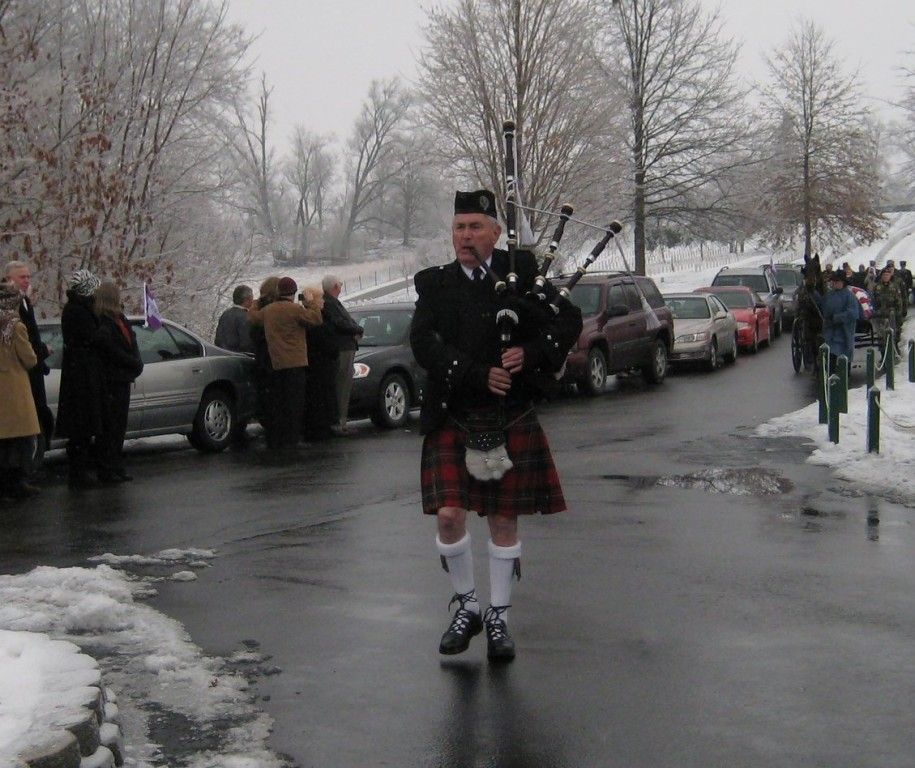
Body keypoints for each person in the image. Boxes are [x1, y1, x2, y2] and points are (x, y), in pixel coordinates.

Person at [410, 189, 582, 662]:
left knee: (504, 519)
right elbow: (423, 344)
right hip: (455, 410)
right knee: (449, 514)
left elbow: (567, 321)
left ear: (495, 233)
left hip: (511, 412)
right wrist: (472, 371)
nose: (465, 236)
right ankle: (466, 605)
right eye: (459, 228)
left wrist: (530, 354)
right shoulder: (436, 284)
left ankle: (499, 616)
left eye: (475, 227)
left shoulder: (524, 274)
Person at [249, 276, 321, 448]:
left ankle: (276, 439)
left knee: (278, 403)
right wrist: (311, 303)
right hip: (295, 363)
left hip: (276, 363)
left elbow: (252, 318)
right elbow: (316, 319)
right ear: (294, 293)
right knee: (294, 404)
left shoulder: (269, 311)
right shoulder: (295, 309)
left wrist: (256, 302)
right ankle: (292, 439)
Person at [56, 270, 105, 488]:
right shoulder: (77, 311)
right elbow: (92, 337)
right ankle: (78, 473)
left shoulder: (76, 309)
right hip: (80, 376)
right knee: (81, 426)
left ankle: (81, 471)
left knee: (84, 426)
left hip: (82, 373)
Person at [92, 282, 143, 482]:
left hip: (123, 378)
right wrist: (132, 362)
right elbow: (111, 349)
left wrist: (136, 361)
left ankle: (116, 464)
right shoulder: (103, 323)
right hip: (111, 380)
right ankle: (107, 467)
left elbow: (131, 341)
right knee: (110, 426)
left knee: (119, 425)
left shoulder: (120, 319)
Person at [4, 261, 53, 458]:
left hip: (33, 369)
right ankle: (23, 469)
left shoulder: (25, 302)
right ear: (9, 280)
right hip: (21, 372)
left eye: (28, 277)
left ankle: (31, 464)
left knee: (38, 418)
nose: (26, 281)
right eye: (22, 277)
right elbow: (21, 339)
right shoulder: (10, 308)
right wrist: (39, 352)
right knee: (26, 422)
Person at [0, 284, 41, 499]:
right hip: (14, 387)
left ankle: (4, 483)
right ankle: (18, 481)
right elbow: (29, 358)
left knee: (4, 440)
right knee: (22, 438)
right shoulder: (15, 326)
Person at [322, 275, 363, 433]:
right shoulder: (330, 304)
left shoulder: (332, 303)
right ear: (334, 287)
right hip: (342, 348)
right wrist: (357, 330)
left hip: (345, 347)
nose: (341, 287)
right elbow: (340, 323)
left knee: (343, 385)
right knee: (342, 386)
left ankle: (341, 421)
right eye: (340, 284)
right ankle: (340, 422)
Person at [300, 285, 339, 441]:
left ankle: (319, 426)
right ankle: (321, 428)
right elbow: (327, 340)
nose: (324, 301)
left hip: (313, 363)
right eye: (321, 298)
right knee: (321, 397)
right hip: (321, 363)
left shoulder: (305, 317)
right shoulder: (318, 319)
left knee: (316, 397)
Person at [249, 277, 280, 447]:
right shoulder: (273, 310)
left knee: (267, 395)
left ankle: (271, 428)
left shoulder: (257, 311)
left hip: (261, 357)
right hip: (273, 357)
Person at [814, 269, 861, 373]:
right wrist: (814, 294)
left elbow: (853, 314)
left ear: (843, 283)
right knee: (830, 358)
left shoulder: (850, 296)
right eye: (834, 282)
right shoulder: (829, 295)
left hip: (844, 334)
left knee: (843, 360)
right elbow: (822, 305)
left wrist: (837, 318)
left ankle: (844, 380)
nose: (835, 284)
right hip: (830, 333)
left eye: (837, 281)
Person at [872, 266, 905, 356]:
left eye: (887, 275)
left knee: (894, 334)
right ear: (881, 276)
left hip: (892, 314)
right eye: (884, 275)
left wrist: (899, 315)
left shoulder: (894, 287)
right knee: (881, 337)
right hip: (880, 316)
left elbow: (899, 302)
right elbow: (873, 301)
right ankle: (883, 355)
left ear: (890, 276)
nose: (886, 277)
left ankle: (894, 351)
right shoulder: (877, 287)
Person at [214, 284, 255, 353]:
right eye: (252, 297)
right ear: (246, 299)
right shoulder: (245, 316)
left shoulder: (225, 314)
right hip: (239, 357)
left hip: (221, 355)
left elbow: (218, 339)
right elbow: (246, 342)